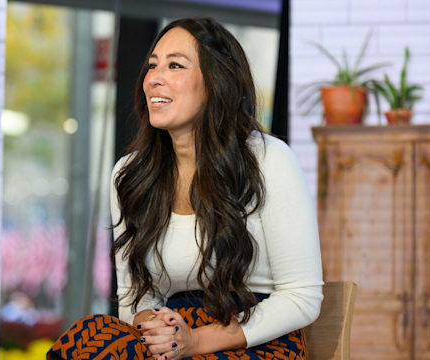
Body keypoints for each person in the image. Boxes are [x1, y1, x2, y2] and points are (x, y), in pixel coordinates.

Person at [48, 17, 323, 360]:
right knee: (88, 336)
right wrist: (159, 328)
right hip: (173, 334)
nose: (154, 79)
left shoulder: (268, 160)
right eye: (152, 66)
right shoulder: (130, 174)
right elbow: (135, 296)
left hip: (253, 337)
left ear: (216, 82)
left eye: (175, 65)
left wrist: (195, 341)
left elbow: (302, 297)